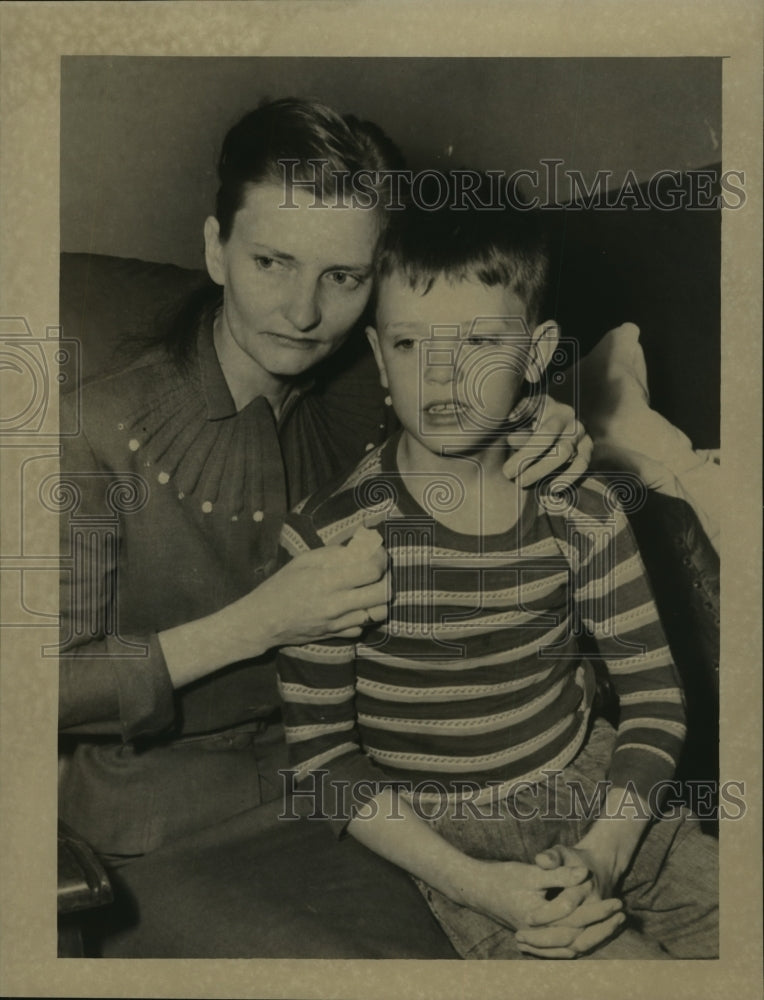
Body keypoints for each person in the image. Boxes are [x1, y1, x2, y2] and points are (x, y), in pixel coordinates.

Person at [58, 99, 589, 955]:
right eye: (272, 260)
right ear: (213, 249)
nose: (302, 313)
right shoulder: (86, 430)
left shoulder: (365, 390)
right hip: (161, 833)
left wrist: (539, 417)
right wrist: (254, 624)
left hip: (366, 798)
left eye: (343, 278)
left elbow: (482, 376)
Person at [276, 181, 719, 959]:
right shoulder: (335, 539)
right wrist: (473, 884)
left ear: (537, 354)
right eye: (412, 345)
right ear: (380, 358)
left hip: (604, 790)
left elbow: (652, 693)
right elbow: (322, 761)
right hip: (450, 840)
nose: (443, 379)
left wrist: (608, 849)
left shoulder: (582, 508)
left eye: (478, 344)